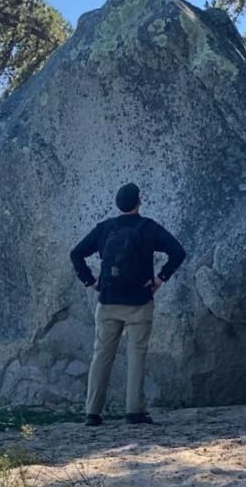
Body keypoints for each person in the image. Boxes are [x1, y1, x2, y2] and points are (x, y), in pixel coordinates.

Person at [69, 183, 186, 426]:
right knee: (136, 356)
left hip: (108, 301)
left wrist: (90, 282)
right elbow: (177, 252)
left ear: (117, 204)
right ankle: (134, 411)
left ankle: (92, 412)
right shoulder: (149, 228)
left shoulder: (105, 229)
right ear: (139, 202)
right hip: (140, 301)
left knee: (101, 356)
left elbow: (76, 254)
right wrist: (160, 279)